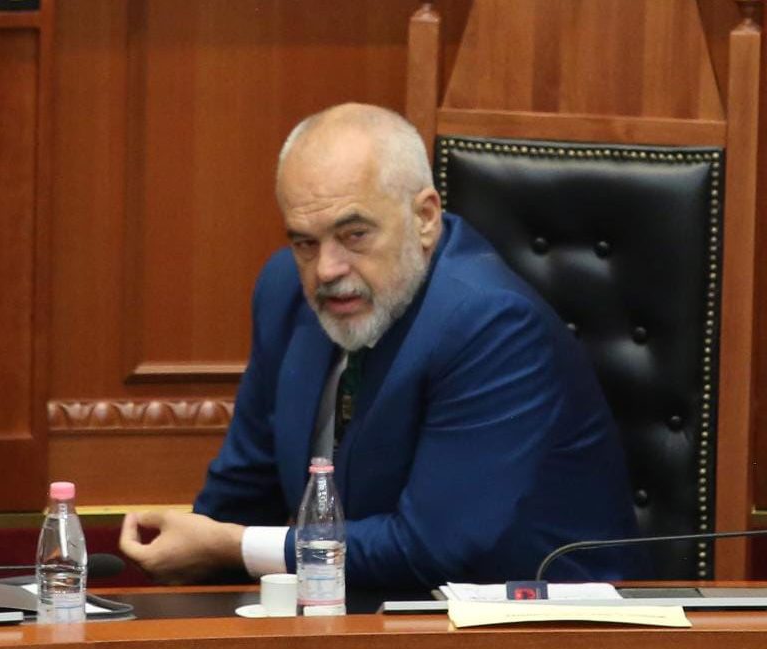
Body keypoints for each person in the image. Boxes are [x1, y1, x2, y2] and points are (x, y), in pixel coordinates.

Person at [119, 104, 646, 589]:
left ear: (425, 218)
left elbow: (426, 549)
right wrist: (188, 547)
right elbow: (240, 492)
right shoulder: (284, 292)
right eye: (305, 242)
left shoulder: (491, 324)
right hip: (355, 613)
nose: (327, 269)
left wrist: (234, 547)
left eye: (354, 235)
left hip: (535, 630)